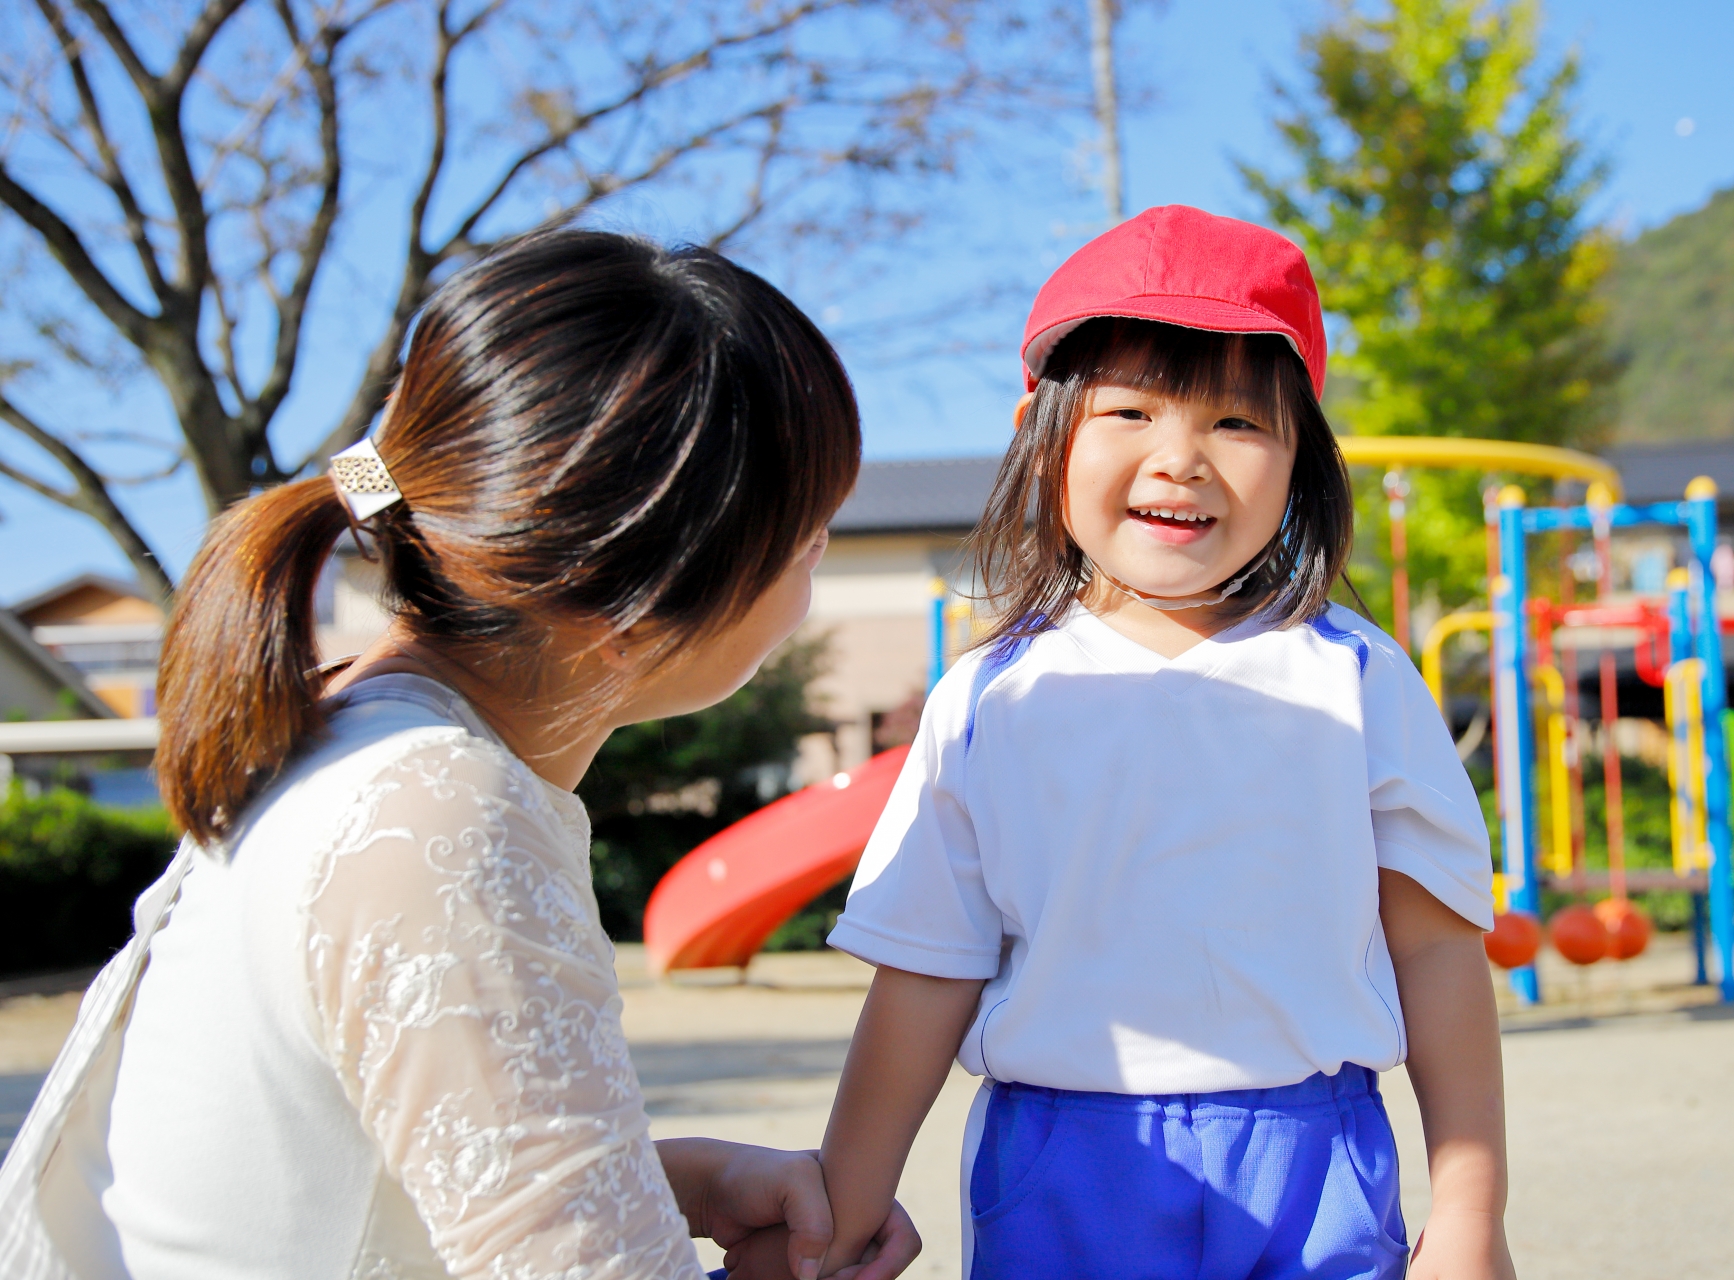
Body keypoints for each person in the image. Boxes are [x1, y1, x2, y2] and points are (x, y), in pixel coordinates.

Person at [0, 230, 915, 1280]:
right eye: (808, 538)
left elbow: (344, 1169)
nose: (815, 573)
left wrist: (670, 1180)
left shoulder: (347, 732)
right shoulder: (442, 814)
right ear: (637, 609)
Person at [815, 206, 1513, 1280]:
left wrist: (1470, 1213)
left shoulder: (1358, 677)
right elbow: (923, 973)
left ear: (1301, 457)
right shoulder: (990, 697)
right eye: (1131, 410)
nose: (1180, 458)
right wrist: (843, 1205)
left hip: (1314, 1153)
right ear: (1041, 434)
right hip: (1062, 1161)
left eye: (1238, 422)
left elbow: (1433, 948)